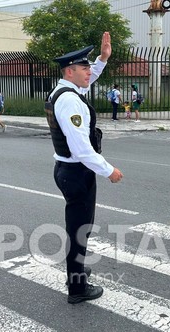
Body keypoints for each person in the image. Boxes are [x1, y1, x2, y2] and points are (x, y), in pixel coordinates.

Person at [45, 32, 123, 304]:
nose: (90, 72)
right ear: (70, 71)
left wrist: (103, 58)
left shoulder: (66, 90)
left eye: (90, 67)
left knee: (79, 228)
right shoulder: (70, 101)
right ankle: (77, 287)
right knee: (79, 231)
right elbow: (82, 150)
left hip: (68, 171)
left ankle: (75, 271)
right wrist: (108, 170)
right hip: (77, 173)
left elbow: (89, 80)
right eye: (85, 68)